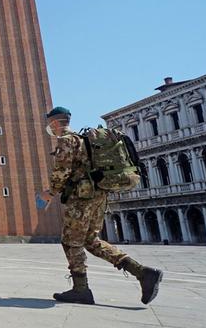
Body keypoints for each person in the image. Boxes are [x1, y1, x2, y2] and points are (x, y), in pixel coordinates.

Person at [40, 106, 163, 305]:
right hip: (99, 196)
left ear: (54, 122)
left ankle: (81, 289)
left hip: (82, 198)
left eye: (50, 124)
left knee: (71, 241)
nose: (50, 128)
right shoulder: (84, 139)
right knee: (91, 240)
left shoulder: (67, 141)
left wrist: (50, 193)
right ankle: (142, 273)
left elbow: (61, 172)